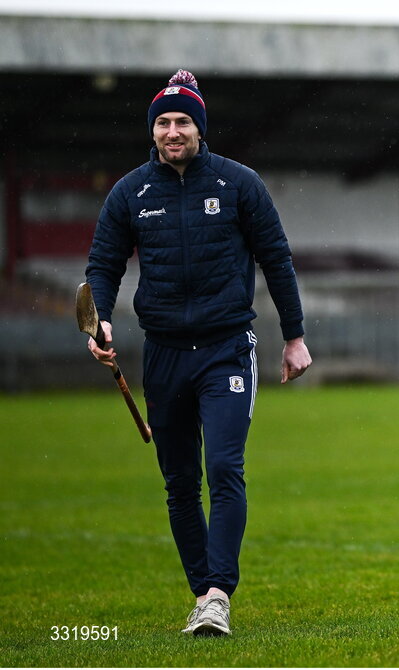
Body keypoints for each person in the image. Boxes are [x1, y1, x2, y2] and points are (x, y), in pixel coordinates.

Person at [85, 69, 312, 635]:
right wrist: (101, 323)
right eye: (162, 122)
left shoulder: (239, 185)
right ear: (153, 131)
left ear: (200, 127)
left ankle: (217, 594)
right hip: (163, 355)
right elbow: (103, 266)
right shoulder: (129, 193)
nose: (172, 130)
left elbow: (276, 258)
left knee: (224, 467)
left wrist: (294, 336)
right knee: (180, 482)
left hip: (227, 350)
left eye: (182, 120)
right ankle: (202, 593)